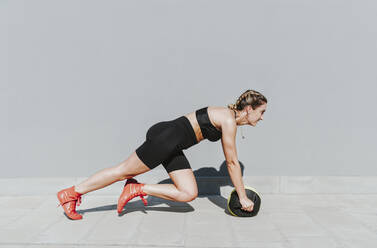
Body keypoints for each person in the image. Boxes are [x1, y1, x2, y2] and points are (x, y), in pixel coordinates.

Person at [57, 89, 268, 220]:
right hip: (166, 138)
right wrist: (242, 197)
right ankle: (72, 193)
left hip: (172, 142)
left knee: (188, 193)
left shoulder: (227, 116)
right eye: (261, 112)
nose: (262, 117)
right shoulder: (229, 120)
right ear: (249, 109)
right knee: (122, 171)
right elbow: (231, 162)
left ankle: (136, 188)